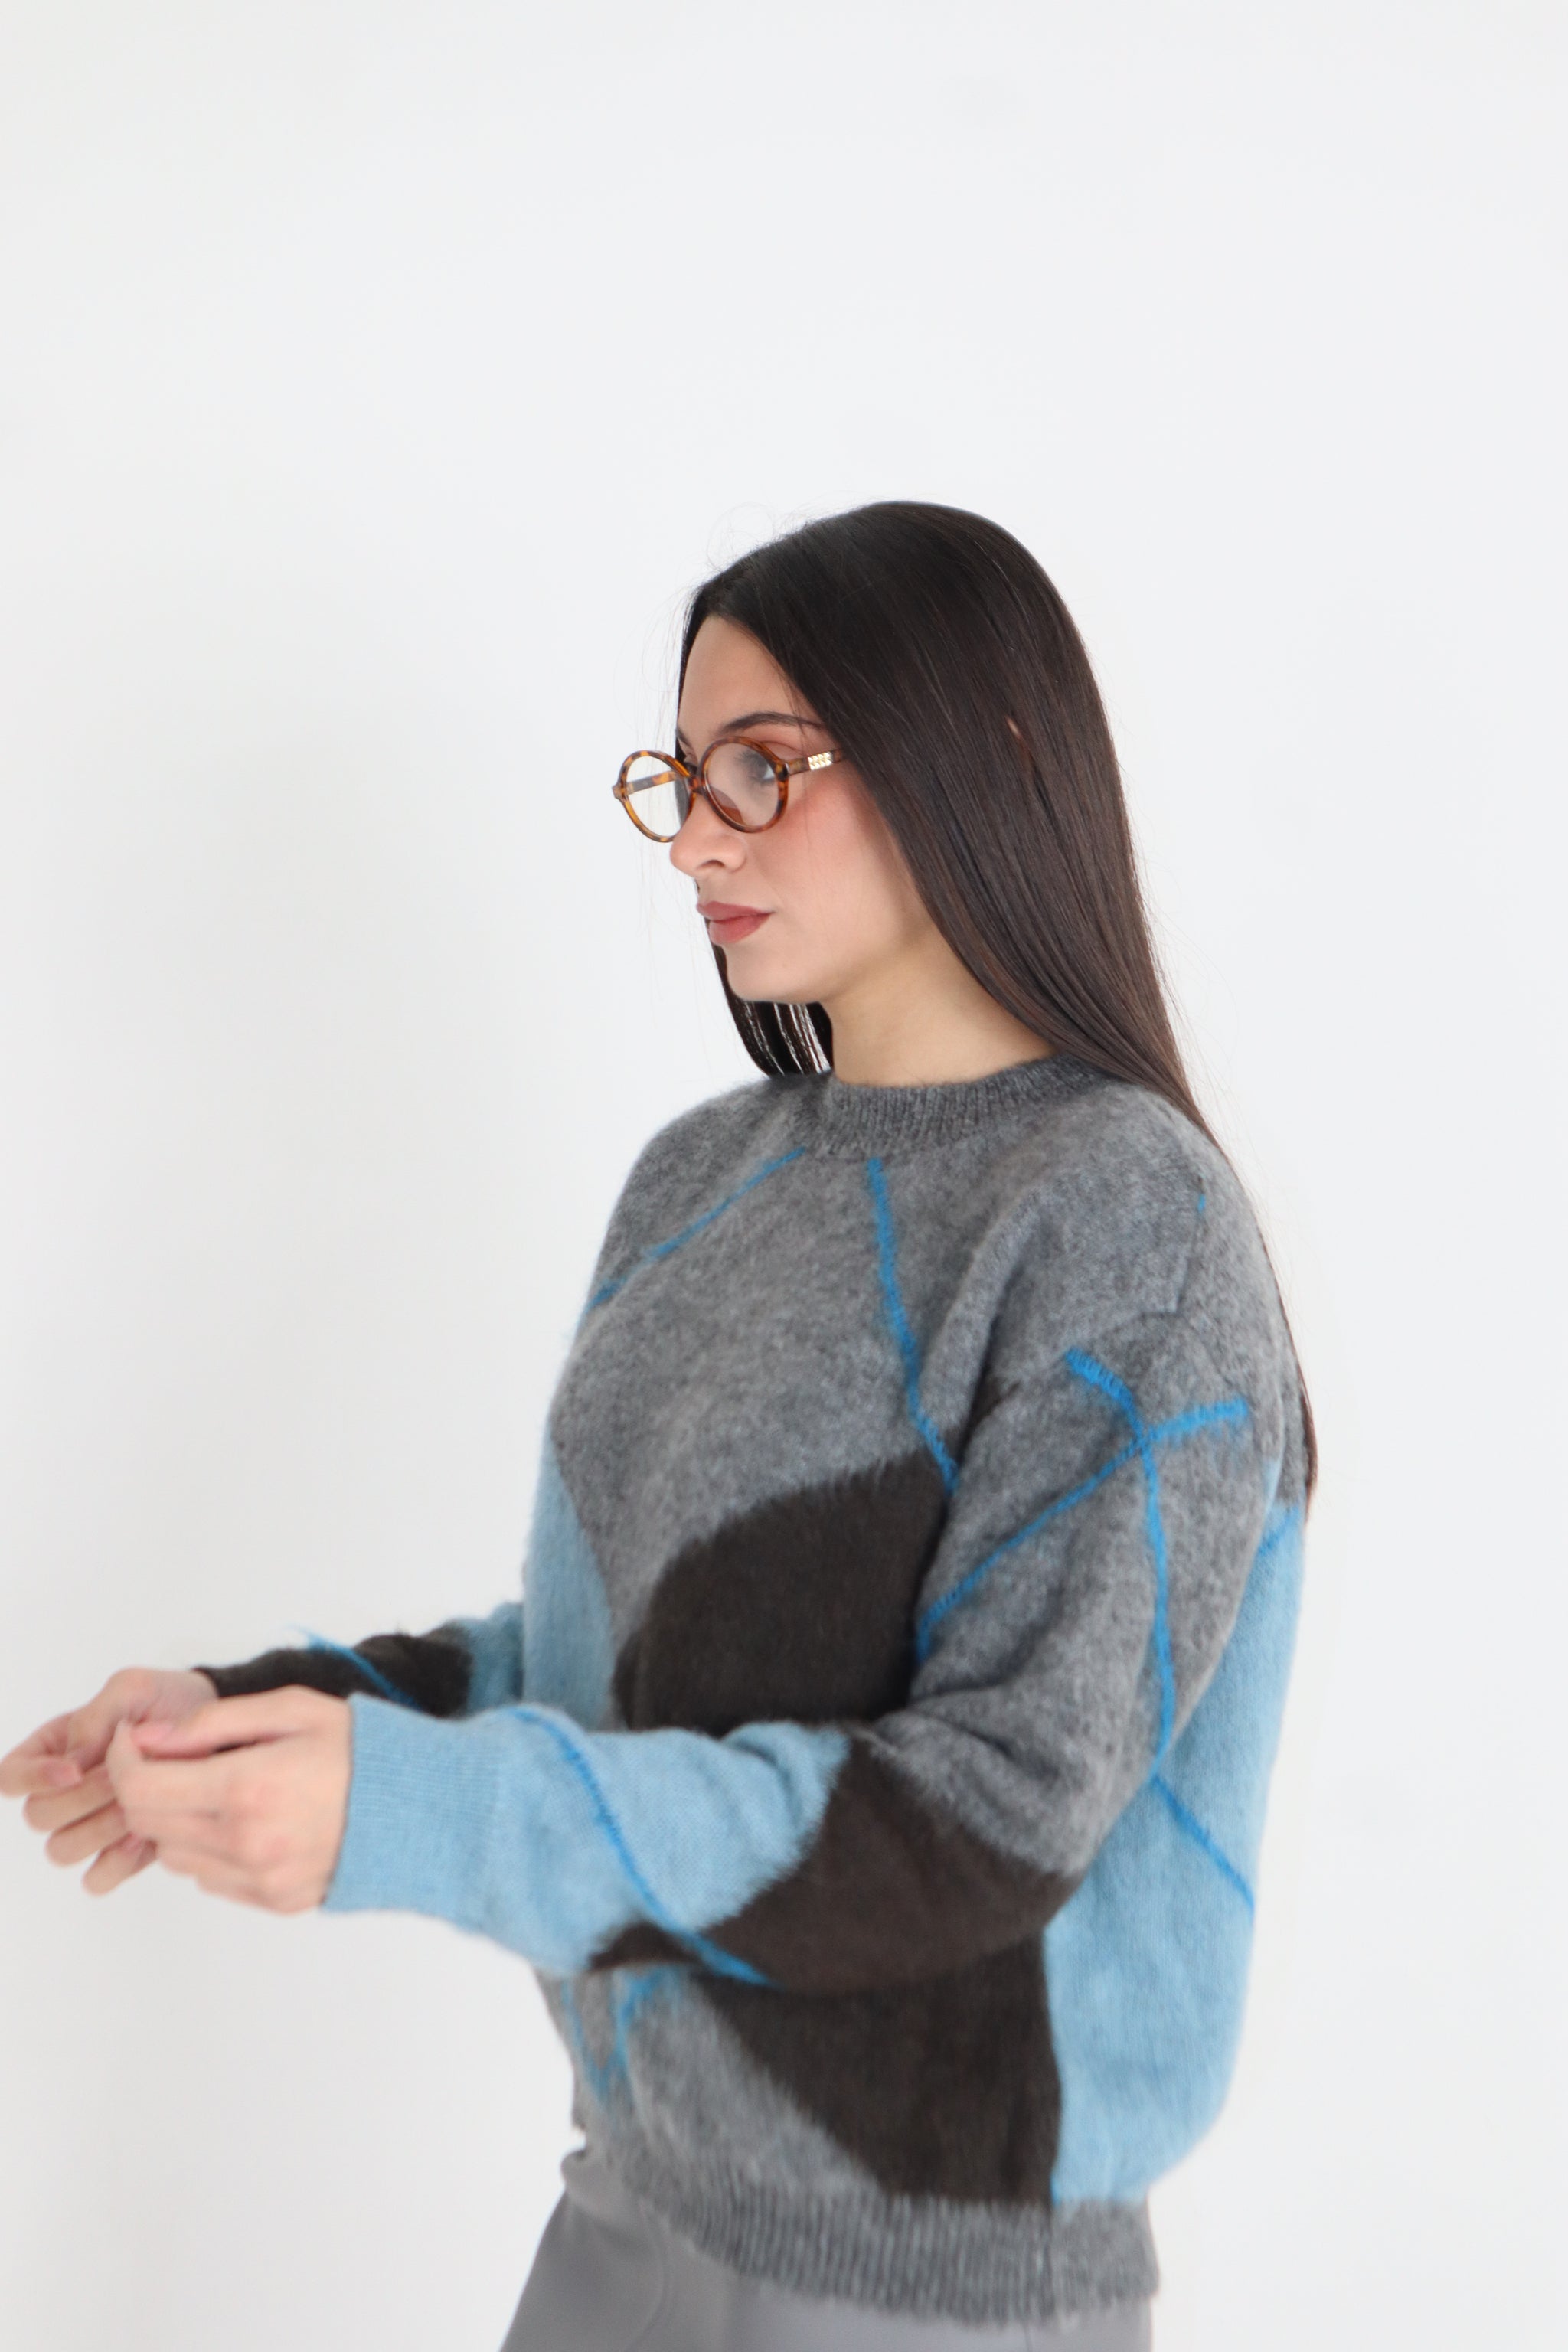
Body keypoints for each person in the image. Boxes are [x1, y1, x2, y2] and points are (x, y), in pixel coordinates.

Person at [2, 501, 1315, 2350]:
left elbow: (989, 1815)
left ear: (992, 752)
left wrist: (414, 1817)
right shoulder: (699, 1179)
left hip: (932, 2296)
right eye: (684, 779)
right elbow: (599, 1661)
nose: (698, 838)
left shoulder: (1126, 1223)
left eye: (765, 769)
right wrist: (268, 1713)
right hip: (627, 2213)